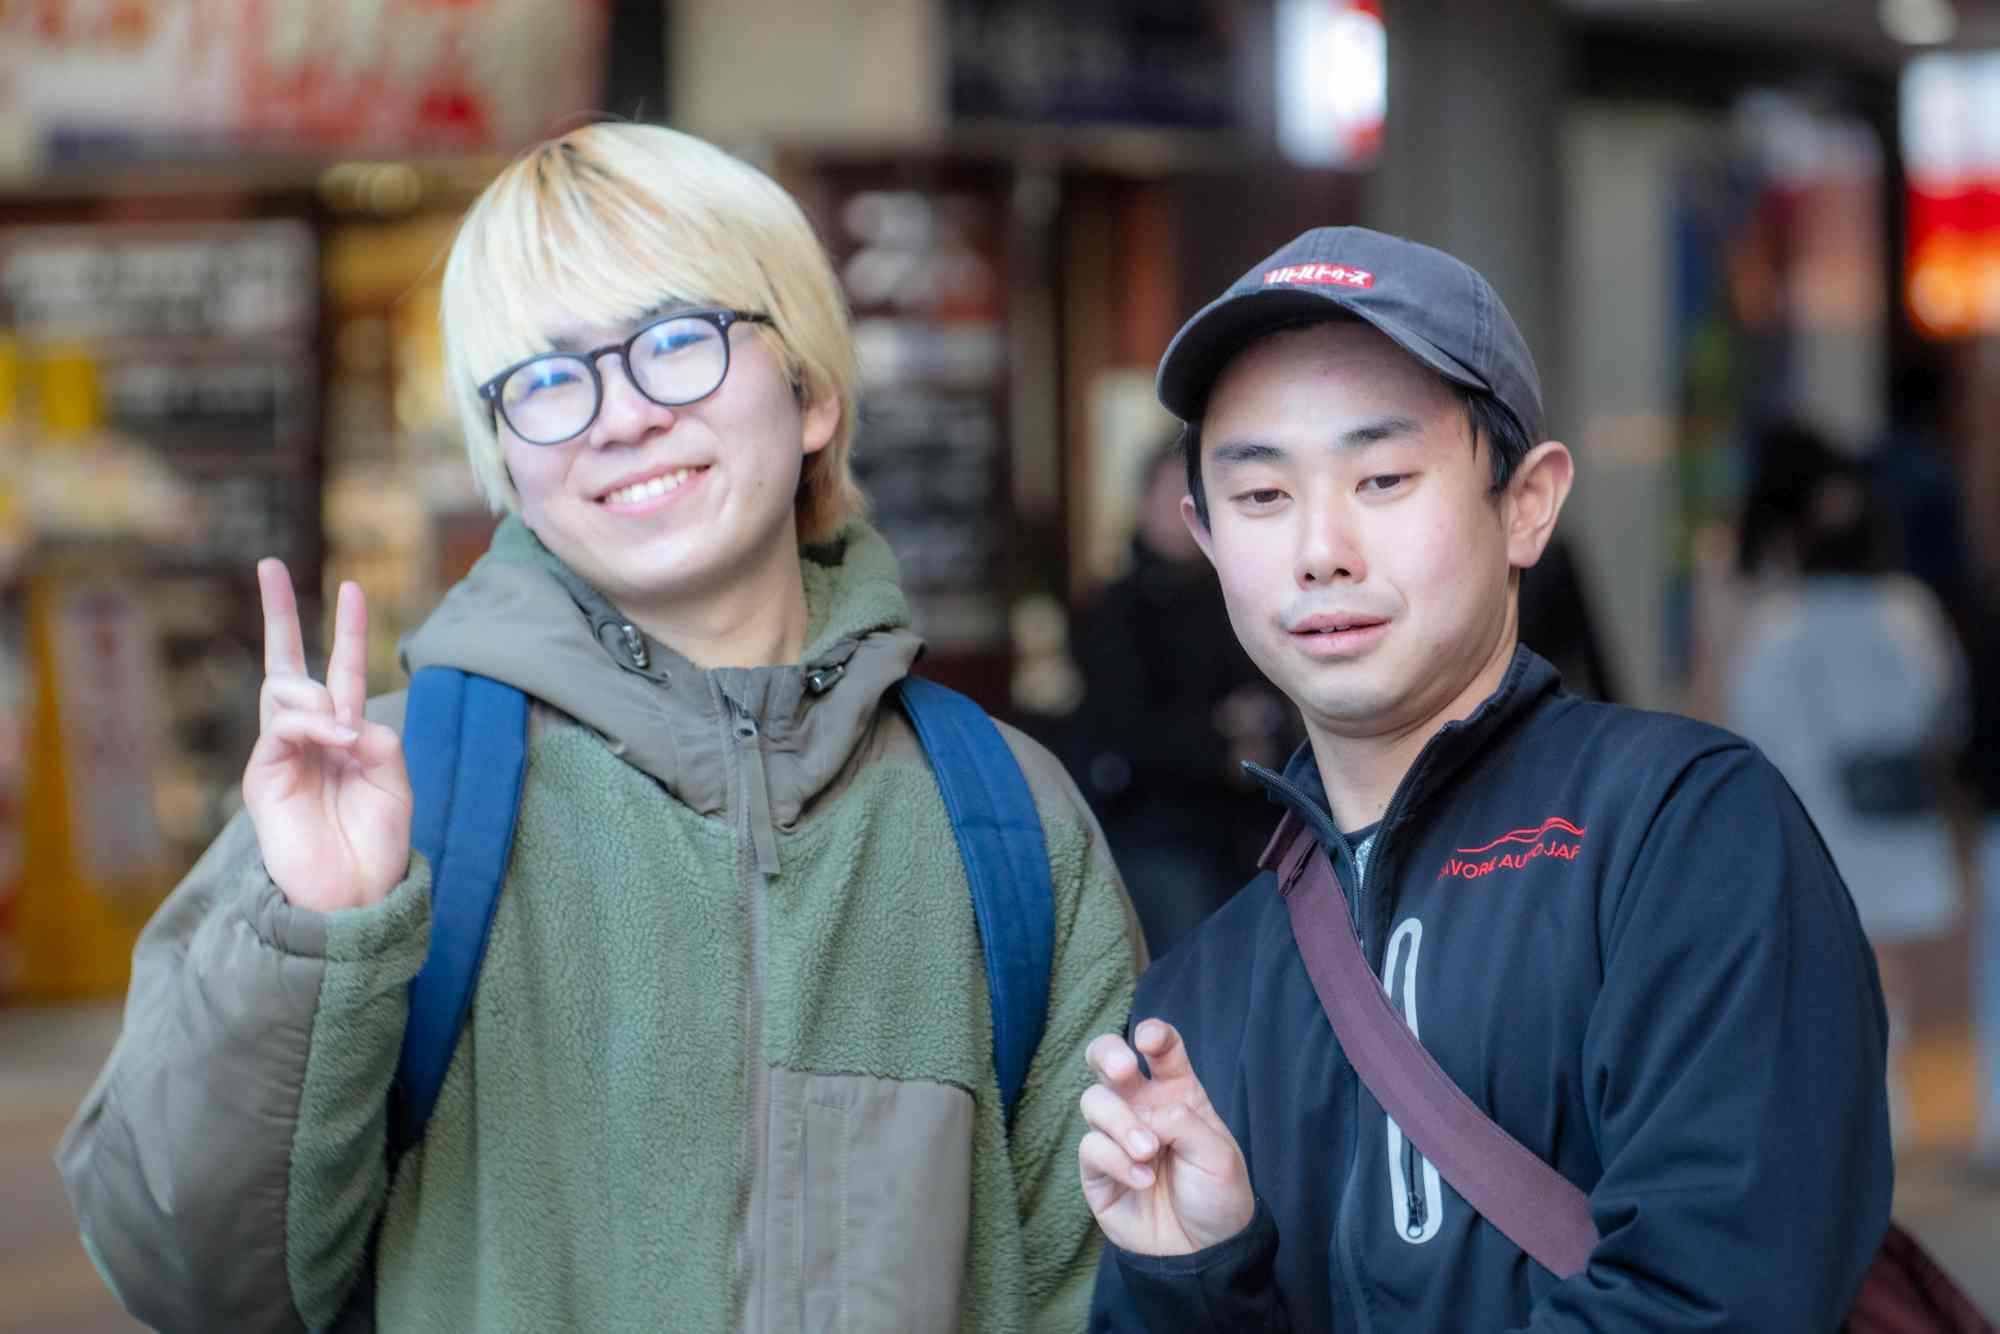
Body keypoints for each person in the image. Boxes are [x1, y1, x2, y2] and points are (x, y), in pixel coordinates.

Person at [57, 122, 1143, 1333]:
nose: (619, 417)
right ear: (508, 462)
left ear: (812, 392)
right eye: (546, 378)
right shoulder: (389, 796)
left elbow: (1092, 1290)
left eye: (675, 340)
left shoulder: (1002, 819)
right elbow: (184, 1278)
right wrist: (313, 941)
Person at [1076, 227, 1892, 1331]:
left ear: (1527, 503)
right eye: (1261, 495)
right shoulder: (1199, 993)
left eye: (1382, 477)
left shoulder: (1681, 834)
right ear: (1205, 537)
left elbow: (1716, 1294)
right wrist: (1203, 1277)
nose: (1320, 549)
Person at [1724, 423, 1967, 1145]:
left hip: (1811, 814)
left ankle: (1847, 1101)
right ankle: (1885, 1093)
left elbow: (1750, 717)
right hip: (1892, 813)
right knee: (1889, 962)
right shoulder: (1908, 610)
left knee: (1828, 963)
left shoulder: (1778, 623)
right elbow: (1942, 702)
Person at [1069, 438, 1298, 957]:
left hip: (1252, 834)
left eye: (1196, 494)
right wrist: (1224, 743)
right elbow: (1121, 731)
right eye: (1170, 492)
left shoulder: (1242, 597)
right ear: (1144, 500)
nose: (1183, 510)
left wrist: (1255, 730)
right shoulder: (1114, 608)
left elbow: (1276, 702)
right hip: (1159, 837)